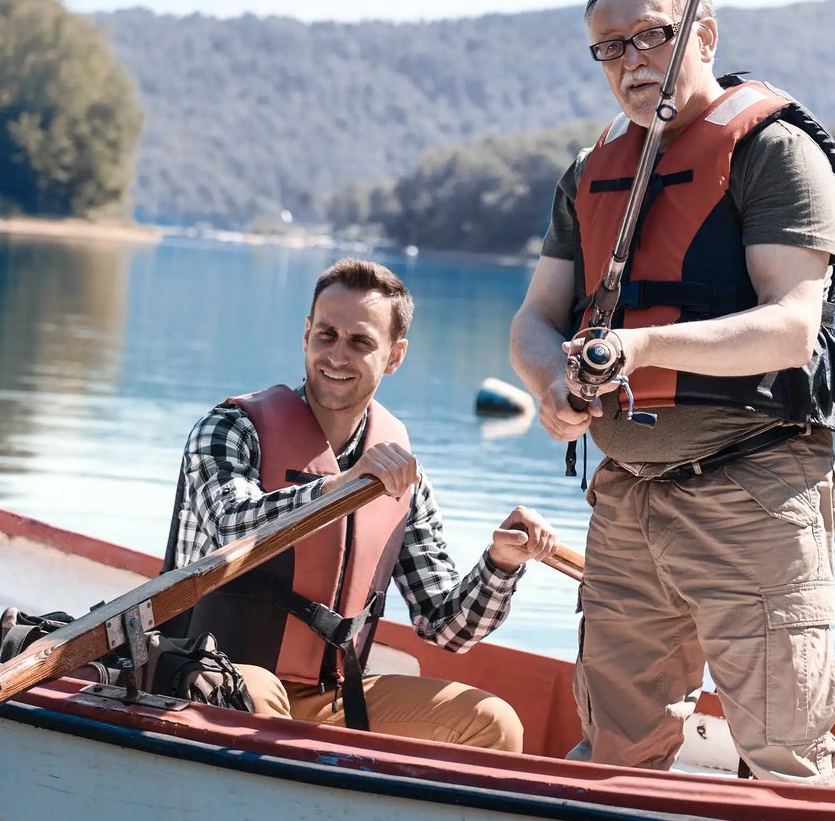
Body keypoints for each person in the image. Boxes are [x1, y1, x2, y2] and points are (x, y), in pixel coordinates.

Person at [507, 0, 835, 784]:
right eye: (609, 47)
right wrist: (549, 385)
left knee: (787, 757)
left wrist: (642, 348)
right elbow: (535, 318)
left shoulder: (773, 152)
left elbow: (790, 327)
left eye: (652, 36)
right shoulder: (591, 169)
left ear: (703, 33)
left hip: (751, 490)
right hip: (627, 495)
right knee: (614, 750)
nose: (631, 61)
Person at [167, 257, 559, 752]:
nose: (336, 355)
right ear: (306, 333)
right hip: (205, 673)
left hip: (331, 696)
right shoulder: (229, 430)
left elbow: (445, 628)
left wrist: (501, 565)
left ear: (395, 356)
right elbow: (232, 530)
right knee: (259, 702)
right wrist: (340, 489)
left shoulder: (400, 474)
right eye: (326, 334)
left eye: (360, 342)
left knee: (492, 722)